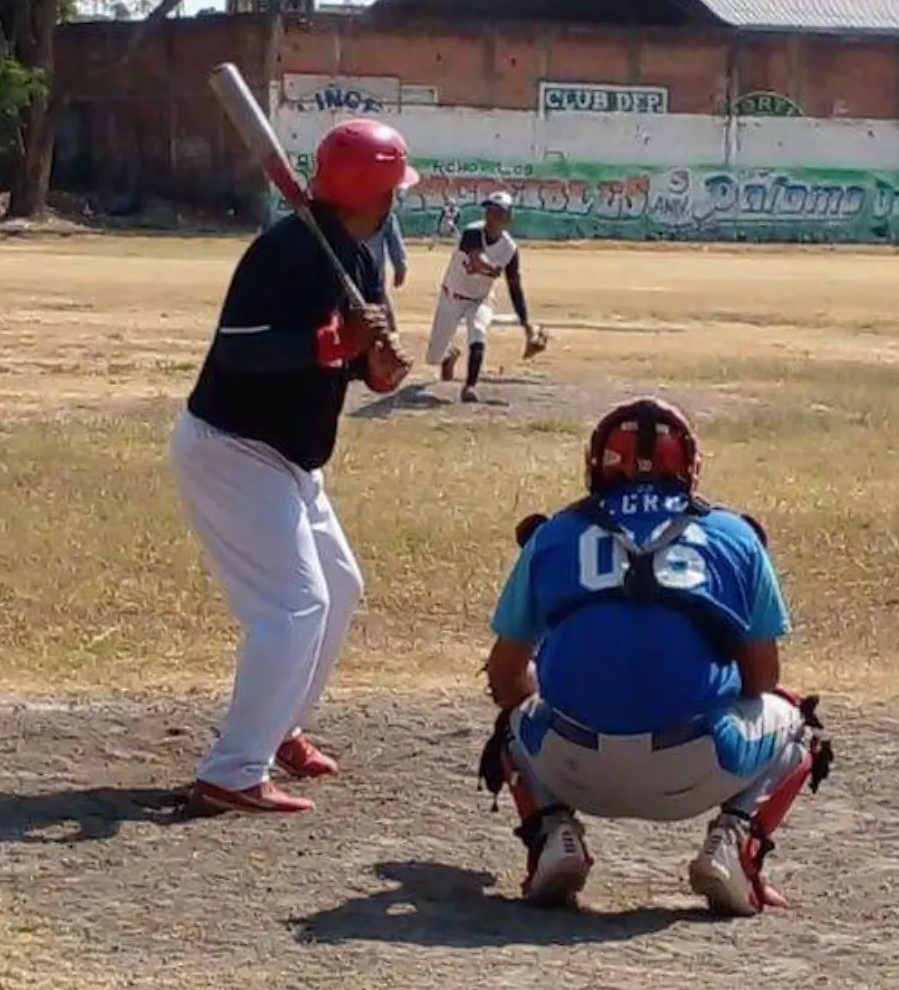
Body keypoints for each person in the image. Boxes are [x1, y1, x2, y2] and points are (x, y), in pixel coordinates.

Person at [475, 397, 833, 916]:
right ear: (689, 466)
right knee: (800, 723)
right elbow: (761, 679)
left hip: (571, 763)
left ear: (596, 462)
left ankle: (553, 838)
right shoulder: (734, 536)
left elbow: (505, 680)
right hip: (698, 765)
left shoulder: (554, 535)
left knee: (514, 720)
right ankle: (736, 844)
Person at [167, 118, 418, 816]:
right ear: (376, 192)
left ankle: (277, 730)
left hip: (293, 459)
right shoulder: (284, 253)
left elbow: (364, 358)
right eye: (395, 187)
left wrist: (379, 365)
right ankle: (232, 770)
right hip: (232, 449)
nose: (400, 199)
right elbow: (241, 351)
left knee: (338, 586)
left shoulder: (358, 256)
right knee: (292, 606)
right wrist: (336, 342)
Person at [423, 191, 545, 403]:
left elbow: (515, 288)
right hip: (452, 296)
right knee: (433, 356)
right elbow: (476, 259)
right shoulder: (472, 232)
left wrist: (527, 326)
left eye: (498, 213)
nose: (491, 216)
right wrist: (492, 269)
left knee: (478, 332)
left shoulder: (509, 249)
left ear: (507, 219)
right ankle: (449, 355)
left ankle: (470, 386)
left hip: (481, 298)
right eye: (489, 210)